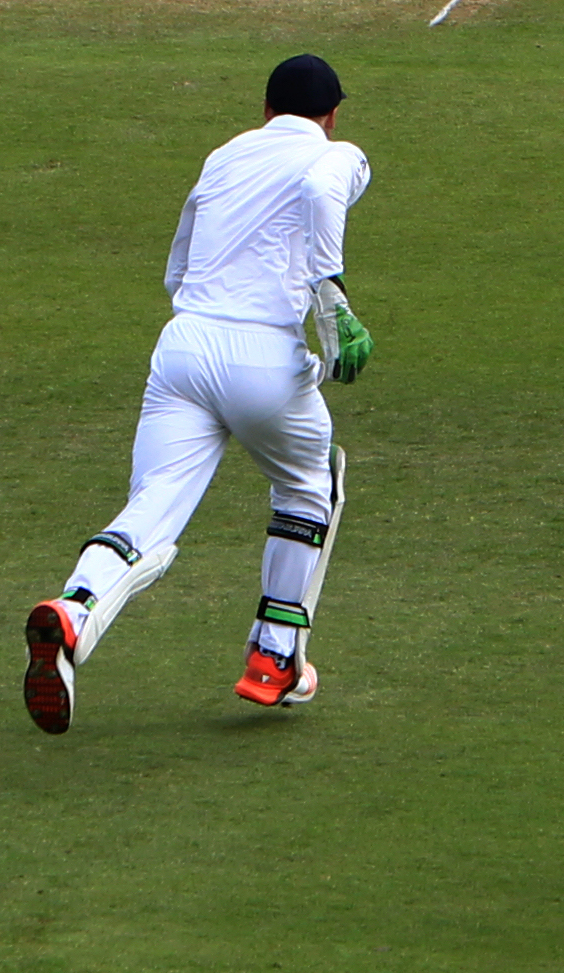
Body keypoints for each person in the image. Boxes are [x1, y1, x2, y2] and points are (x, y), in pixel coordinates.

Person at [22, 53, 375, 732]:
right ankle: (274, 655)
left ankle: (72, 612)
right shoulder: (338, 154)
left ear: (267, 111)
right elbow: (324, 191)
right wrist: (331, 296)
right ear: (330, 117)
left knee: (152, 506)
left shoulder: (224, 156)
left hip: (183, 347)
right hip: (264, 356)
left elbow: (178, 265)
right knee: (311, 482)